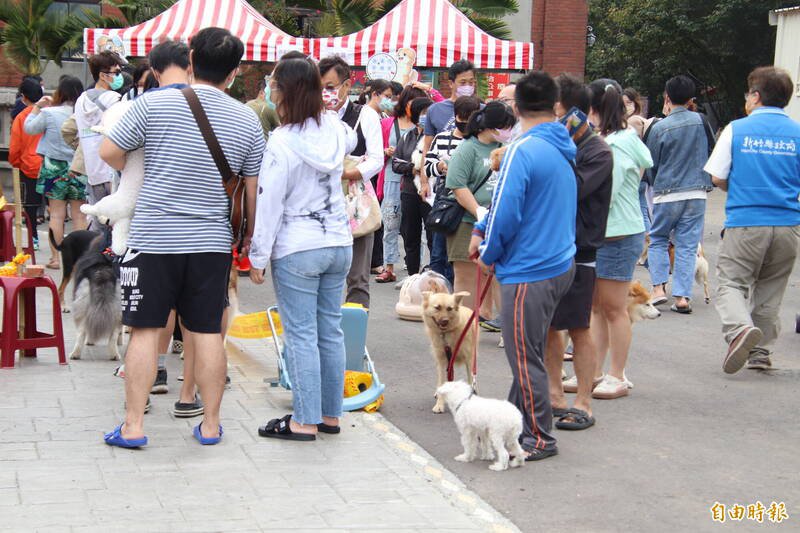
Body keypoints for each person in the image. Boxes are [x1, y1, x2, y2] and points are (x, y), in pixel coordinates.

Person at [99, 27, 265, 447]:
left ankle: (133, 427)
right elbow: (251, 189)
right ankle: (210, 425)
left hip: (154, 237)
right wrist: (248, 238)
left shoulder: (152, 104)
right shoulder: (247, 118)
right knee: (206, 331)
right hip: (211, 242)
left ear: (190, 59)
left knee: (144, 330)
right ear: (235, 71)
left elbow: (109, 152)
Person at [469, 71, 577, 461]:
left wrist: (488, 251)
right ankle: (515, 427)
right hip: (558, 261)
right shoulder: (561, 144)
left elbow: (506, 211)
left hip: (530, 267)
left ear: (516, 108)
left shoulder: (522, 150)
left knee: (524, 357)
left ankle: (539, 436)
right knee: (527, 352)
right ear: (555, 105)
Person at [248, 56, 356, 441]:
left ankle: (304, 421)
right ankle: (330, 415)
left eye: (274, 84)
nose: (270, 89)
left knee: (301, 334)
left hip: (298, 246)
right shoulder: (335, 128)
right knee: (330, 331)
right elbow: (353, 140)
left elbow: (270, 202)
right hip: (338, 241)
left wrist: (257, 256)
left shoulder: (282, 141)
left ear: (284, 91)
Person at [704, 66, 800, 373]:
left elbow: (717, 176)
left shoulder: (736, 129)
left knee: (731, 282)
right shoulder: (797, 132)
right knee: (771, 288)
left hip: (745, 221)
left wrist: (740, 186)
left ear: (756, 96)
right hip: (787, 225)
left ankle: (740, 330)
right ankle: (760, 351)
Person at [544, 74, 614, 430]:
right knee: (549, 327)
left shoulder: (597, 150)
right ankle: (554, 394)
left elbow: (571, 188)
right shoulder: (555, 143)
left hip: (579, 250)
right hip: (549, 248)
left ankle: (584, 402)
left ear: (564, 109)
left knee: (577, 328)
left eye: (551, 107)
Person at [587, 79, 653, 400]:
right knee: (599, 309)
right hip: (611, 233)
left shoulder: (615, 144)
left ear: (595, 108)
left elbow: (606, 195)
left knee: (613, 309)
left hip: (617, 234)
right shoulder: (621, 138)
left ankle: (617, 375)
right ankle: (594, 372)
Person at [319, 55, 383, 309]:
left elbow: (376, 159)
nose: (325, 93)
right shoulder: (312, 115)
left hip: (356, 204)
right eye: (320, 87)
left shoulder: (364, 115)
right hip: (319, 205)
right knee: (321, 277)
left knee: (357, 278)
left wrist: (346, 173)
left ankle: (354, 331)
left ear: (347, 85)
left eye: (330, 87)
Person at [645, 75, 714, 313]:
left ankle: (658, 289)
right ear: (691, 99)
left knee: (658, 239)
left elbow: (651, 163)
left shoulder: (659, 127)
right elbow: (711, 151)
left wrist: (656, 183)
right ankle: (682, 297)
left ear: (667, 97)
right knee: (687, 244)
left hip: (666, 192)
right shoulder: (702, 121)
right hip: (696, 192)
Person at [445, 101, 514, 318]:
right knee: (466, 278)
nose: (509, 131)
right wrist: (479, 212)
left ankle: (501, 323)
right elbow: (457, 185)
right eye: (505, 126)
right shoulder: (468, 148)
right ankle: (463, 325)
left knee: (498, 277)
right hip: (467, 222)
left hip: (499, 224)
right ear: (490, 126)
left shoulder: (505, 149)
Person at [422, 60, 477, 282]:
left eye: (471, 82)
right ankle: (438, 290)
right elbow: (427, 151)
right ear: (451, 82)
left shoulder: (481, 113)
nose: (468, 86)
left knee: (463, 252)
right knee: (439, 248)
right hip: (444, 197)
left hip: (472, 197)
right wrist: (426, 179)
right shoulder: (436, 111)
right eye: (463, 82)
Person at [24, 75, 86, 268]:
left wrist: (37, 107)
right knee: (79, 215)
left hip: (54, 168)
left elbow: (29, 128)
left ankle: (56, 258)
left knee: (57, 215)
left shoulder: (49, 113)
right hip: (79, 167)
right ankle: (79, 258)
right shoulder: (84, 113)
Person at [375, 85, 426, 282]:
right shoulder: (388, 123)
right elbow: (373, 151)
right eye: (412, 101)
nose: (416, 107)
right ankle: (388, 266)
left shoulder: (425, 126)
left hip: (416, 183)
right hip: (392, 178)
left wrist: (428, 90)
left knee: (415, 226)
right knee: (390, 222)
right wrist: (384, 151)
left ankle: (414, 266)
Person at [74, 51, 125, 226]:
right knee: (117, 223)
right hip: (113, 170)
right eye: (116, 72)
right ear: (103, 75)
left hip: (93, 172)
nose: (119, 76)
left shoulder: (81, 100)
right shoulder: (114, 99)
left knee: (98, 222)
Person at [393, 97, 434, 276]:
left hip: (431, 192)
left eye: (429, 113)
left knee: (433, 235)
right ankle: (412, 275)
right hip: (409, 191)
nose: (426, 116)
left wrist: (422, 168)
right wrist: (413, 168)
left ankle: (435, 273)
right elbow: (396, 163)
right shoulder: (407, 136)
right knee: (410, 235)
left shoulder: (436, 136)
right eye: (423, 113)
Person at [9, 78, 44, 251]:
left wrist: (16, 163)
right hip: (50, 164)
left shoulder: (21, 118)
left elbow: (15, 148)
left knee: (30, 205)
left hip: (28, 166)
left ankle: (33, 238)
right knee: (55, 208)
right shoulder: (49, 113)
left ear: (24, 97)